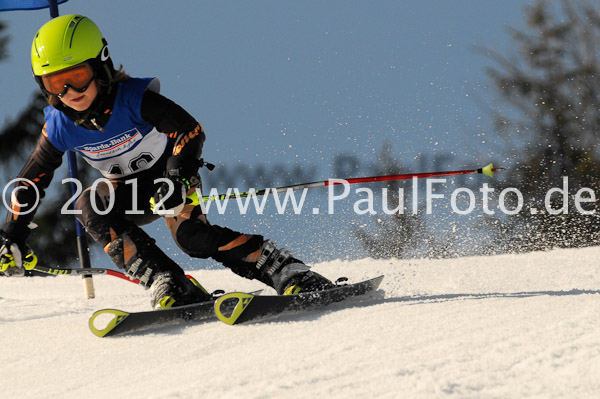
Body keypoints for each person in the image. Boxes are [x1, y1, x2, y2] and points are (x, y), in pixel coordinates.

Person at [0, 14, 334, 309]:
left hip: (171, 178)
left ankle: (284, 269)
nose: (70, 90)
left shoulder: (132, 99)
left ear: (100, 64)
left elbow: (190, 131)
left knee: (191, 238)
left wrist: (177, 178)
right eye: (55, 83)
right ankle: (167, 280)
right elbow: (31, 180)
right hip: (124, 195)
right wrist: (11, 234)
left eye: (77, 75)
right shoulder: (60, 125)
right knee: (90, 202)